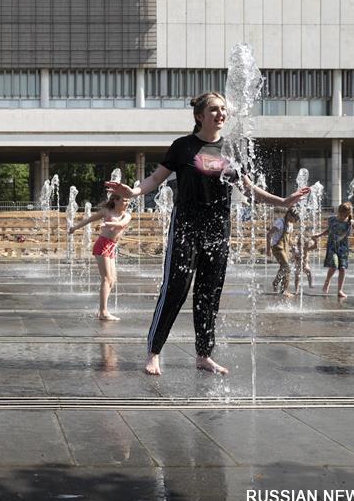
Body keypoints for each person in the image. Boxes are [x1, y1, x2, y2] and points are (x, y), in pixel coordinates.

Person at [107, 92, 310, 376]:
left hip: (217, 229)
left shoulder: (231, 150)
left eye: (224, 109)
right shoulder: (183, 147)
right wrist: (134, 192)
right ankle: (154, 352)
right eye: (214, 110)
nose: (221, 114)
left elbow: (249, 189)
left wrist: (283, 201)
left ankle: (204, 355)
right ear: (200, 116)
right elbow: (155, 179)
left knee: (209, 293)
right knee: (175, 289)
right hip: (187, 227)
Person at [68, 193, 133, 321]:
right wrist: (74, 228)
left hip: (112, 246)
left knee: (112, 280)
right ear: (115, 200)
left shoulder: (127, 215)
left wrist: (105, 225)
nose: (127, 203)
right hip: (102, 245)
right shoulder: (107, 211)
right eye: (124, 201)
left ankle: (102, 310)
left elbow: (120, 225)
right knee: (106, 278)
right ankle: (103, 311)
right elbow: (89, 220)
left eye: (128, 201)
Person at [313, 201, 354, 299]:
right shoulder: (332, 219)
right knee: (333, 266)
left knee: (342, 268)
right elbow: (329, 230)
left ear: (348, 214)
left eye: (345, 215)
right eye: (342, 215)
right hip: (332, 246)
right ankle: (327, 280)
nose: (343, 217)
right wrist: (319, 235)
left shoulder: (350, 222)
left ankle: (340, 290)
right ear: (339, 212)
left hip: (343, 247)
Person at [267, 208, 299, 297]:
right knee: (287, 267)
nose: (295, 221)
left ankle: (279, 286)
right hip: (277, 247)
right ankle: (282, 289)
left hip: (285, 248)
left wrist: (295, 249)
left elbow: (289, 239)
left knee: (284, 268)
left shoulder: (291, 225)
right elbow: (269, 234)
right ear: (289, 215)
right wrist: (268, 249)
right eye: (295, 218)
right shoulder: (280, 222)